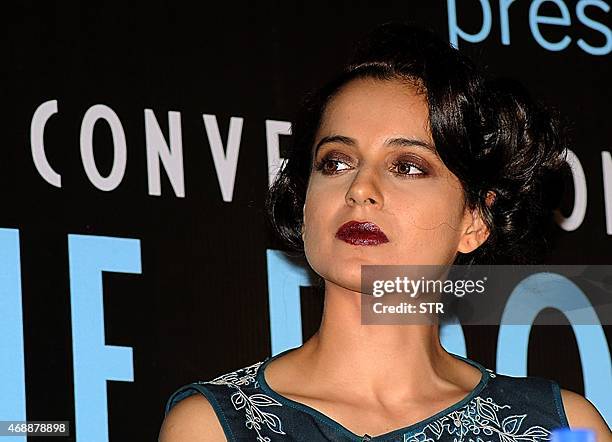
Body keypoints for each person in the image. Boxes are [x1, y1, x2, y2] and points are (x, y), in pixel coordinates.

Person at [158, 21, 611, 442]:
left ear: (474, 219)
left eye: (407, 166)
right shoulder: (214, 426)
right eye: (335, 162)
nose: (360, 189)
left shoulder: (558, 427)